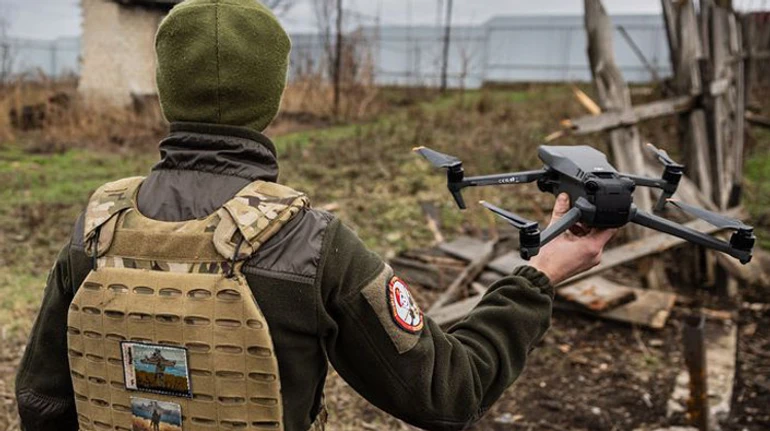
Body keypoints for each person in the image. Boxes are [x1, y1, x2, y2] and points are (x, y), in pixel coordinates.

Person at [14, 1, 616, 430]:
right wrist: (539, 275)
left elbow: (42, 403)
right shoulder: (313, 245)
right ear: (273, 95)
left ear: (167, 90)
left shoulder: (95, 229)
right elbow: (449, 392)